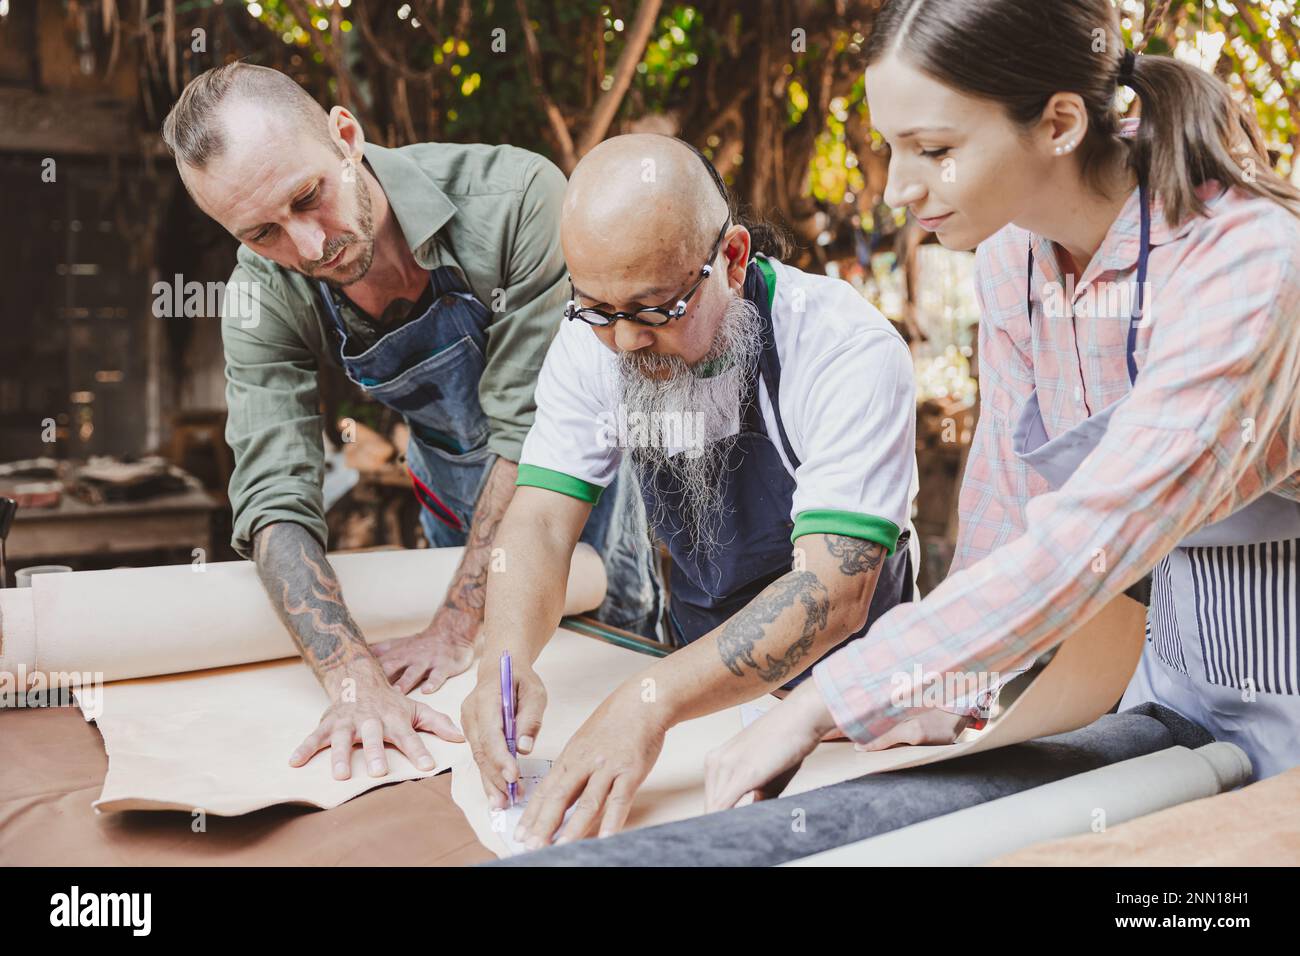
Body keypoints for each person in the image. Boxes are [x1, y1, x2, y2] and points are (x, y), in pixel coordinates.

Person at [705, 0, 1300, 812]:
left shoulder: (1244, 263)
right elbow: (1004, 492)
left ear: (1058, 123)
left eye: (935, 149)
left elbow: (1095, 530)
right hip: (1176, 683)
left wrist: (826, 699)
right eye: (891, 147)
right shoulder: (1015, 257)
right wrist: (946, 689)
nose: (896, 188)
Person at [160, 63, 658, 781]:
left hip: (580, 509)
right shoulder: (262, 293)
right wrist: (351, 675)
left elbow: (532, 436)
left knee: (602, 696)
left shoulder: (517, 201)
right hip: (449, 513)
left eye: (308, 197)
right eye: (261, 232)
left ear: (346, 136)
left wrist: (458, 628)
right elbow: (275, 495)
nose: (306, 248)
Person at [461, 132, 929, 848]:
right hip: (699, 696)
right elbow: (542, 525)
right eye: (595, 307)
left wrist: (648, 703)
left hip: (863, 713)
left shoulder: (845, 349)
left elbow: (832, 594)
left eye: (654, 310)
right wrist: (505, 658)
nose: (622, 341)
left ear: (732, 259)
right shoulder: (595, 339)